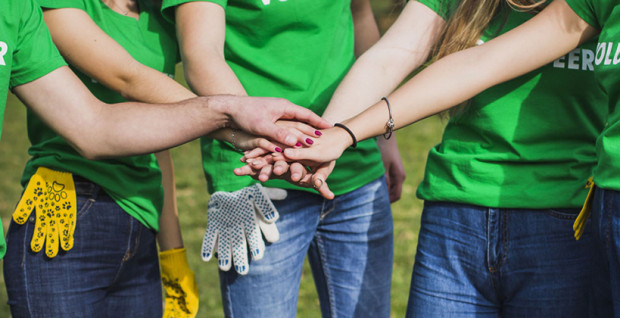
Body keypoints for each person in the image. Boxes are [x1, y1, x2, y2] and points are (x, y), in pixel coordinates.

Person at [239, 0, 613, 316]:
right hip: (455, 213)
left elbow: (482, 63)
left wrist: (341, 135)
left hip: (566, 216)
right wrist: (327, 138)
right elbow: (394, 55)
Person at [0, 0, 329, 316]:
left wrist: (173, 253)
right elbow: (124, 81)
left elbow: (154, 139)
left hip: (140, 214)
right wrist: (238, 120)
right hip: (70, 211)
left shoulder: (158, 21)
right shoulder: (53, 5)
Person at [161, 0, 405, 316]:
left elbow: (360, 17)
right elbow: (202, 55)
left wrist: (385, 140)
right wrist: (277, 142)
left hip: (353, 168)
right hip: (256, 174)